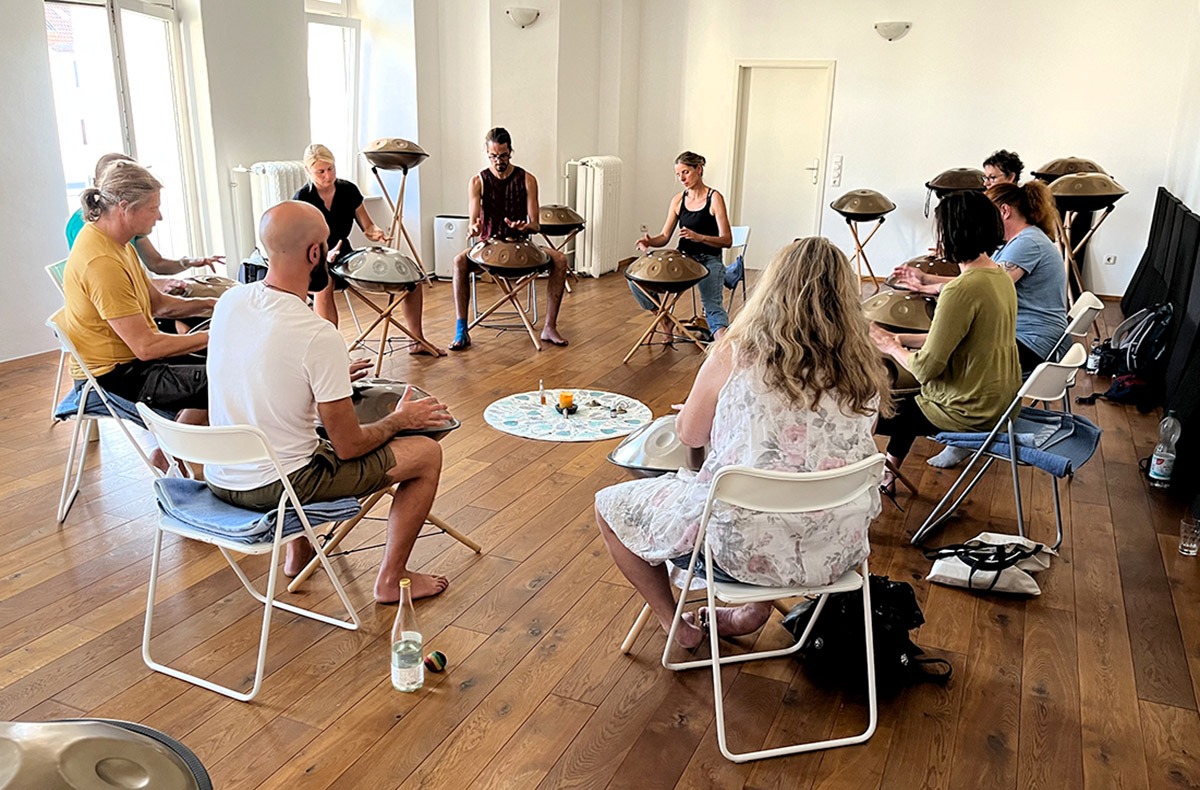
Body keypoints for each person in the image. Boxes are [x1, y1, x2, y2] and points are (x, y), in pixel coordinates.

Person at [595, 237, 888, 648]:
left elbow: (689, 436)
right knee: (778, 488)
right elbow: (837, 454)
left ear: (773, 288)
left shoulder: (734, 354)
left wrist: (707, 413)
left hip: (738, 556)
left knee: (609, 505)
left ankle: (674, 624)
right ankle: (752, 611)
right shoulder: (867, 371)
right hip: (835, 553)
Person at [205, 200, 452, 602]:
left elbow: (265, 373)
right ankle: (392, 578)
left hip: (219, 476)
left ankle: (298, 551)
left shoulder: (230, 302)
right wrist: (400, 419)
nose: (332, 254)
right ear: (314, 253)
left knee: (297, 435)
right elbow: (348, 446)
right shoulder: (317, 334)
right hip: (276, 488)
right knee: (426, 455)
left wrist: (328, 377)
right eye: (327, 246)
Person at [59, 160, 214, 450]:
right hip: (114, 376)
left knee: (225, 363)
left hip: (134, 360)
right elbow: (146, 347)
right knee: (226, 376)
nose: (160, 216)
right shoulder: (101, 262)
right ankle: (173, 451)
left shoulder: (119, 244)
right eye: (154, 208)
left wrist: (212, 304)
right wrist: (212, 336)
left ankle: (177, 444)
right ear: (125, 208)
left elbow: (159, 305)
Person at [872, 191, 1021, 489]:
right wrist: (899, 337)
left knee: (869, 408)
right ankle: (889, 474)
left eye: (940, 230)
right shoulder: (1000, 276)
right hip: (1001, 402)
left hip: (970, 411)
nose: (938, 238)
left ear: (954, 233)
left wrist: (891, 346)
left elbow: (925, 369)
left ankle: (854, 479)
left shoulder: (960, 290)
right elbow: (956, 341)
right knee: (910, 401)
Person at [891, 181, 1067, 373]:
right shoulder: (1019, 240)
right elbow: (980, 280)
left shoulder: (1027, 242)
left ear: (1004, 211)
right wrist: (926, 279)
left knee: (941, 359)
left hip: (1033, 342)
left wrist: (932, 285)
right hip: (1025, 336)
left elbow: (985, 285)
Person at [295, 144, 440, 355]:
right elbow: (301, 242)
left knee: (412, 278)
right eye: (321, 171)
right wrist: (325, 253)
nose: (328, 175)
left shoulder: (348, 190)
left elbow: (368, 227)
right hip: (315, 259)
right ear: (308, 170)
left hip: (344, 255)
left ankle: (416, 340)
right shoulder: (302, 199)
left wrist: (377, 233)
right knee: (324, 284)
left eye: (331, 169)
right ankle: (330, 351)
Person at [448, 128, 569, 350]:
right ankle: (461, 330)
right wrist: (474, 227)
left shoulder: (527, 179)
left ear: (510, 151)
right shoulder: (477, 181)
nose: (498, 161)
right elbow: (473, 221)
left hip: (521, 247)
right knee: (459, 261)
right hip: (488, 248)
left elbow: (536, 224)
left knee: (560, 259)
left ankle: (550, 327)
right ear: (487, 153)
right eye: (493, 156)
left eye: (503, 155)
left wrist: (525, 226)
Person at [66, 153, 224, 277]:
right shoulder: (94, 245)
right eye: (153, 209)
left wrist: (187, 263)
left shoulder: (128, 234)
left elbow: (155, 263)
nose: (159, 217)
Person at [634, 152, 732, 340]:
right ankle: (664, 320)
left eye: (685, 172)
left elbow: (727, 240)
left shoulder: (714, 198)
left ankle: (723, 347)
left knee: (712, 306)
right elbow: (664, 237)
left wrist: (700, 238)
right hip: (684, 260)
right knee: (636, 280)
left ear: (699, 169)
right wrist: (650, 241)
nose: (682, 179)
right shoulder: (678, 200)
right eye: (678, 174)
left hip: (709, 260)